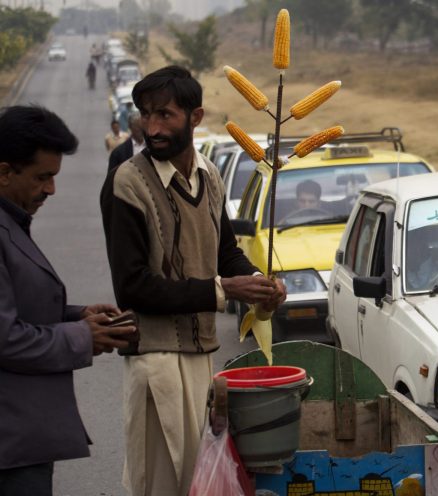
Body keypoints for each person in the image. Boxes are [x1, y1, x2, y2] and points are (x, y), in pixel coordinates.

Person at [100, 65, 286, 496]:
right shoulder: (126, 184)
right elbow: (132, 287)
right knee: (165, 484)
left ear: (195, 117)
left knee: (203, 484)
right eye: (146, 115)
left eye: (165, 115)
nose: (152, 127)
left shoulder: (211, 177)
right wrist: (223, 291)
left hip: (202, 358)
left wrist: (260, 283)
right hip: (156, 360)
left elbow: (226, 255)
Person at [0, 105, 135, 495]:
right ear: (5, 171)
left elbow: (18, 304)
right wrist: (81, 337)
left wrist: (79, 316)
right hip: (10, 448)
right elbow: (6, 337)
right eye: (42, 178)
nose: (51, 190)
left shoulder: (12, 221)